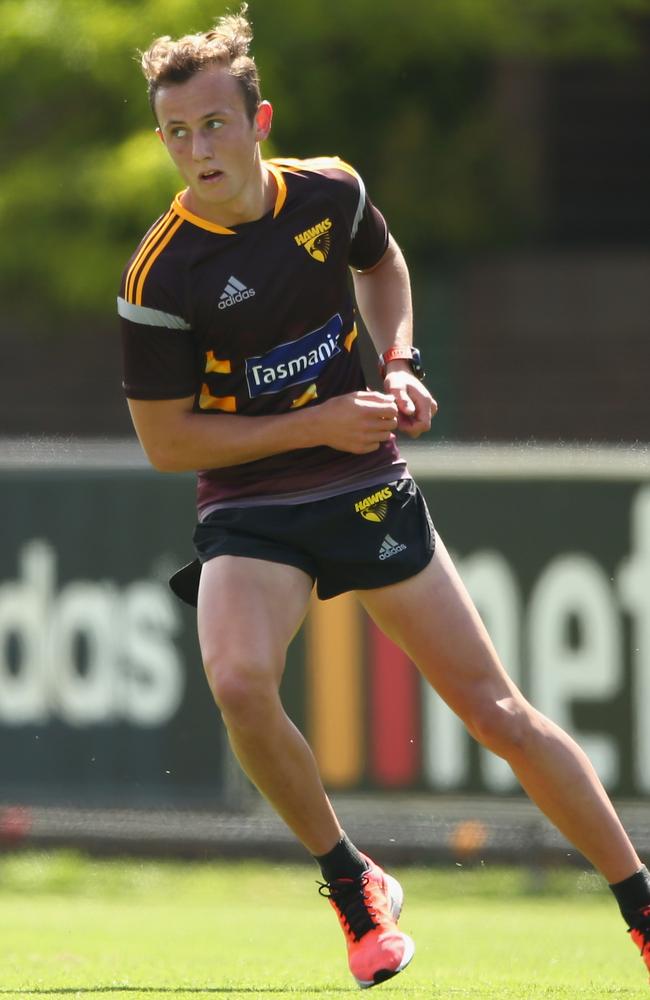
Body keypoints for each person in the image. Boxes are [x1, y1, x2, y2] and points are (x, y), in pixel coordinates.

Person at [118, 6, 650, 989]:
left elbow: (383, 264)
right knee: (237, 681)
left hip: (361, 479)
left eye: (215, 125)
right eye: (178, 132)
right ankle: (351, 879)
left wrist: (399, 360)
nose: (197, 148)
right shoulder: (160, 271)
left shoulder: (330, 191)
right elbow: (167, 442)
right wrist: (310, 425)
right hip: (248, 496)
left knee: (496, 713)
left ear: (259, 119)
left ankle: (640, 906)